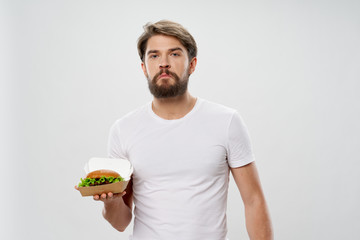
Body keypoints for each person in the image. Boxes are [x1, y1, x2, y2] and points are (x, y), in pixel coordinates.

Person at [77, 20, 273, 240]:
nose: (164, 63)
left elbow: (254, 201)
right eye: (154, 55)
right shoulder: (123, 129)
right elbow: (121, 223)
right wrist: (111, 201)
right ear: (144, 68)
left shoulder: (226, 121)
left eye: (174, 54)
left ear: (192, 64)